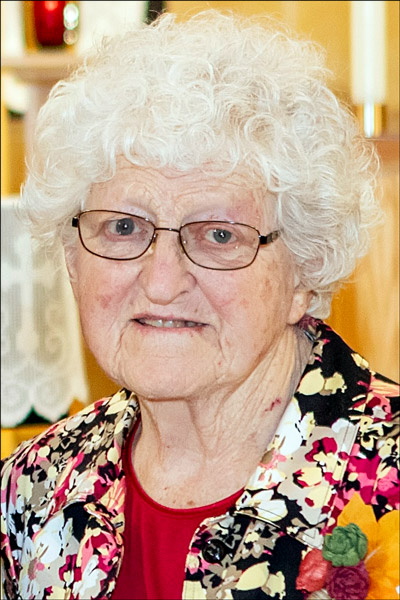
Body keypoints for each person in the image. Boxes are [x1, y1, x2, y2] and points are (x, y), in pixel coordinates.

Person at [1, 9, 399, 600]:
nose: (162, 282)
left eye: (218, 234)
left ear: (304, 271)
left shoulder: (389, 476)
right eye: (123, 227)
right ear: (72, 257)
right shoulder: (33, 489)